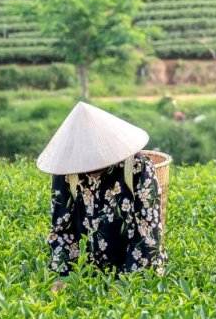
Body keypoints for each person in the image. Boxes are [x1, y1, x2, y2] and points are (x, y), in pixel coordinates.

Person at [39, 101, 166, 277]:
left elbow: (148, 234)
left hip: (134, 266)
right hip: (87, 271)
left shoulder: (138, 168)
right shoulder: (66, 172)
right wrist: (64, 276)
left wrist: (126, 283)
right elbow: (61, 230)